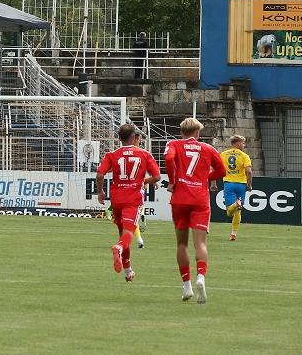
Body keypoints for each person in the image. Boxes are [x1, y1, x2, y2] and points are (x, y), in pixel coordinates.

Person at [164, 117, 226, 303]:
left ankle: (186, 286)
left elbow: (168, 158)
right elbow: (222, 171)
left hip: (180, 198)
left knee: (181, 244)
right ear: (198, 133)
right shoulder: (208, 149)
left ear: (182, 132)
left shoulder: (174, 144)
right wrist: (205, 177)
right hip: (200, 199)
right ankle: (201, 277)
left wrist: (173, 180)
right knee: (200, 243)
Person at [96, 124, 160, 282]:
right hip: (133, 198)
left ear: (119, 138)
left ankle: (128, 271)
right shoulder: (144, 154)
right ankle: (118, 248)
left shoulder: (112, 154)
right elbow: (157, 177)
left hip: (117, 198)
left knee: (122, 234)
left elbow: (99, 174)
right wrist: (143, 181)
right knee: (128, 234)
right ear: (134, 137)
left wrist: (100, 192)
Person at [216, 134, 253, 241]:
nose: (244, 145)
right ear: (236, 143)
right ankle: (233, 233)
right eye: (242, 143)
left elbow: (214, 168)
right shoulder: (244, 156)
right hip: (241, 185)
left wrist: (213, 183)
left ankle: (233, 233)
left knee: (229, 212)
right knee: (237, 211)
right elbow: (249, 172)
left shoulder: (223, 154)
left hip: (229, 184)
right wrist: (249, 184)